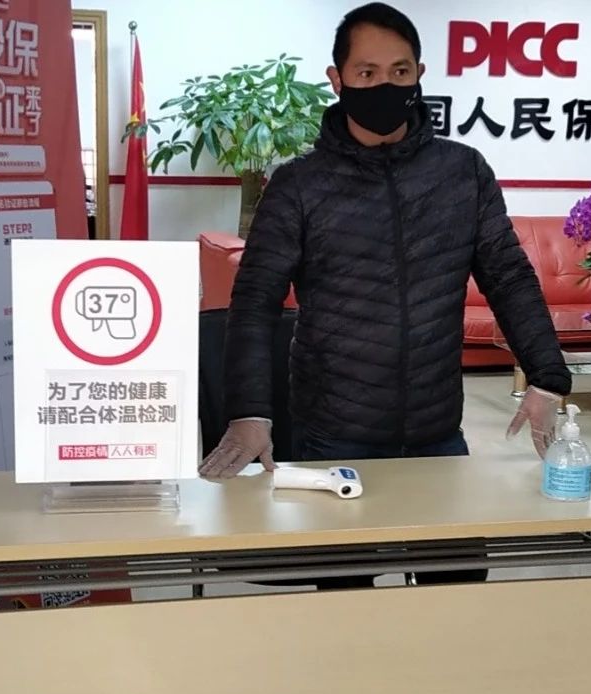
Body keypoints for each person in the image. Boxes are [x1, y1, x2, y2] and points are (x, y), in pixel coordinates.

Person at [199, 2, 571, 585]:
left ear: (419, 73)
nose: (384, 85)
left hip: (437, 432)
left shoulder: (462, 172)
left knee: (455, 589)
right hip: (334, 435)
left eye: (399, 71)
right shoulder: (300, 185)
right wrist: (249, 413)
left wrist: (546, 377)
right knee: (346, 598)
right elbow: (254, 303)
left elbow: (508, 276)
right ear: (338, 78)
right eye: (367, 73)